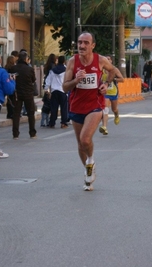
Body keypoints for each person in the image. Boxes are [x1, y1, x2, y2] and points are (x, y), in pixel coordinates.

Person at [62, 31, 116, 191]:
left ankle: (90, 160)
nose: (82, 46)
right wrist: (76, 80)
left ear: (93, 45)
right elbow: (65, 87)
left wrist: (106, 84)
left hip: (95, 105)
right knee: (80, 144)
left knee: (86, 139)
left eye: (86, 43)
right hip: (76, 106)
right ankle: (87, 169)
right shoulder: (72, 62)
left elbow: (113, 71)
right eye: (80, 42)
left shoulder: (100, 60)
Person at [9, 51, 37, 139]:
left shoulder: (13, 68)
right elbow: (33, 80)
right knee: (30, 113)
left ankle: (15, 134)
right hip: (28, 93)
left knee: (16, 114)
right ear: (26, 59)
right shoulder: (29, 69)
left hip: (17, 93)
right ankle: (32, 133)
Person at [99, 55, 124, 135]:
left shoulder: (114, 70)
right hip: (104, 92)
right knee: (105, 109)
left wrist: (113, 79)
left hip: (113, 92)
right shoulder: (101, 69)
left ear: (111, 61)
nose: (107, 60)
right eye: (106, 59)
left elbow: (122, 79)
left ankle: (116, 114)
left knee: (114, 109)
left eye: (108, 59)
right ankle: (104, 127)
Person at [44, 55, 69, 128]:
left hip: (54, 91)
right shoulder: (66, 70)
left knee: (53, 108)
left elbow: (48, 81)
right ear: (64, 61)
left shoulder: (52, 70)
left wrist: (46, 89)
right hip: (63, 91)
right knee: (64, 108)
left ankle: (52, 123)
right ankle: (63, 123)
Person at [4, 55, 17, 119]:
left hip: (7, 84)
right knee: (14, 100)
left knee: (9, 100)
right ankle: (13, 113)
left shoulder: (5, 68)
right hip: (13, 85)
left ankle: (9, 113)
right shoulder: (14, 68)